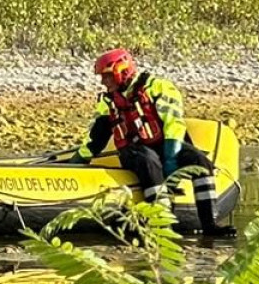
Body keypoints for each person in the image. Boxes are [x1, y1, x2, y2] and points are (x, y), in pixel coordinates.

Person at [70, 49, 235, 237]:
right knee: (149, 162)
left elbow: (173, 122)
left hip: (166, 143)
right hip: (134, 150)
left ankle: (210, 225)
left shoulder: (158, 88)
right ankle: (161, 224)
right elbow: (96, 138)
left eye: (107, 76)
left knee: (201, 163)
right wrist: (77, 161)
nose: (103, 82)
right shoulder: (109, 102)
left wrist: (171, 156)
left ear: (122, 71)